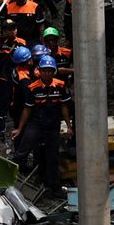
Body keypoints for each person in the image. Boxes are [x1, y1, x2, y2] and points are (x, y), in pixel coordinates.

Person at [12, 54, 71, 193]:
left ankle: (54, 187)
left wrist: (69, 126)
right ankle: (9, 178)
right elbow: (27, 109)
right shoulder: (33, 87)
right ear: (39, 71)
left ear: (54, 71)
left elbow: (64, 107)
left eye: (50, 71)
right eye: (44, 71)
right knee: (23, 150)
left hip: (53, 127)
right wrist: (19, 129)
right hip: (36, 125)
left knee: (52, 157)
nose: (47, 74)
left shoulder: (61, 85)